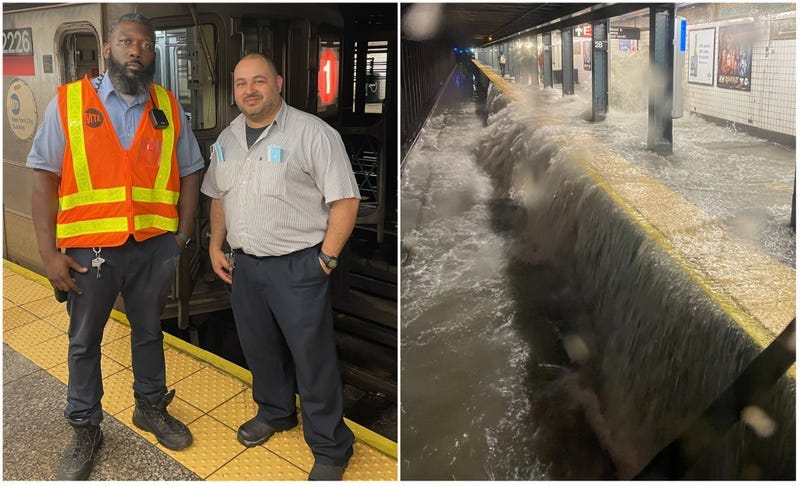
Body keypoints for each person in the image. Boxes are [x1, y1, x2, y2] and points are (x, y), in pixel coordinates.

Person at [27, 13, 204, 480]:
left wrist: (180, 238)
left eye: (145, 45)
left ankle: (149, 406)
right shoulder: (67, 104)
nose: (136, 51)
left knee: (149, 330)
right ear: (108, 49)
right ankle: (85, 426)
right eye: (126, 41)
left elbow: (191, 173)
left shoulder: (167, 107)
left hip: (151, 246)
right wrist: (49, 255)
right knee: (84, 340)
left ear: (153, 54)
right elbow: (44, 180)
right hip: (88, 253)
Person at [201, 53, 360, 481]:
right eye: (240, 83)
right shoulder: (228, 138)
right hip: (245, 267)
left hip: (298, 267)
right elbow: (219, 194)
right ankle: (275, 412)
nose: (249, 90)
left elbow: (345, 199)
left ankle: (330, 447)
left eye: (258, 81)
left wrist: (325, 259)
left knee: (313, 359)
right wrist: (216, 245)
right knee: (260, 349)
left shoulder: (313, 133)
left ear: (279, 83)